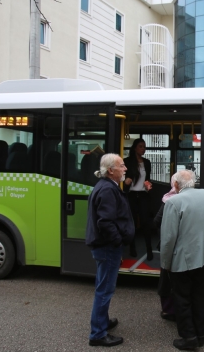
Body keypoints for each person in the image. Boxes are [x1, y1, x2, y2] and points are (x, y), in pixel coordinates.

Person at [160, 170, 204, 350]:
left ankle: (189, 337)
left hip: (184, 259)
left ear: (176, 185)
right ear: (194, 183)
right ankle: (200, 333)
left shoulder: (172, 202)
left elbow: (168, 238)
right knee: (199, 296)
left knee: (182, 298)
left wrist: (166, 264)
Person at [85, 153, 135, 347]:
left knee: (103, 287)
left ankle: (102, 321)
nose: (125, 168)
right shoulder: (107, 190)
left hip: (106, 246)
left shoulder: (108, 186)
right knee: (104, 290)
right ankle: (97, 334)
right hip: (107, 247)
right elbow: (105, 222)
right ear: (110, 170)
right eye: (122, 166)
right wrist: (117, 241)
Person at [153, 174, 179, 322]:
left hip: (168, 244)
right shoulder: (177, 200)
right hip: (176, 245)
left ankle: (168, 309)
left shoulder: (168, 199)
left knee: (167, 277)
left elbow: (156, 221)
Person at [123, 138, 154, 260]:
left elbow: (148, 179)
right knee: (132, 223)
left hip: (143, 195)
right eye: (141, 146)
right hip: (131, 195)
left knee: (146, 222)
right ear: (135, 148)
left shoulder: (147, 162)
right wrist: (125, 181)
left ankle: (149, 250)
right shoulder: (127, 161)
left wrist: (148, 185)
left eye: (144, 147)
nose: (143, 149)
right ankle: (132, 248)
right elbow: (121, 178)